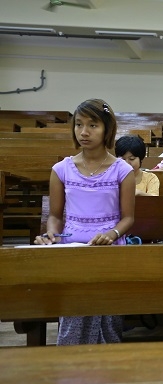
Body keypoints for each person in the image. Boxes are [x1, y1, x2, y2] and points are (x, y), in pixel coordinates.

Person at [34, 98, 135, 345]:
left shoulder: (122, 170)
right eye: (79, 125)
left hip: (108, 250)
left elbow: (128, 218)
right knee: (73, 314)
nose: (84, 132)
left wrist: (112, 234)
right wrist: (51, 235)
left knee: (109, 320)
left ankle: (108, 369)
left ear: (107, 129)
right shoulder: (61, 169)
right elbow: (56, 216)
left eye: (92, 125)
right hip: (72, 250)